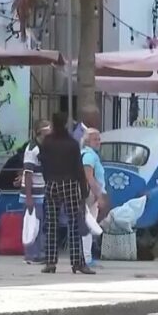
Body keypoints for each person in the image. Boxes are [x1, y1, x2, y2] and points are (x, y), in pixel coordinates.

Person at [38, 112, 94, 275]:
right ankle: (78, 263)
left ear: (54, 124)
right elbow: (78, 167)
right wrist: (83, 191)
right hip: (69, 183)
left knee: (52, 224)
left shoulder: (48, 142)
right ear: (66, 124)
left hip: (52, 183)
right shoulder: (71, 143)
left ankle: (50, 262)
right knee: (74, 223)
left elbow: (43, 162)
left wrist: (48, 179)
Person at [22, 120, 50, 264]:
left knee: (40, 224)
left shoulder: (44, 147)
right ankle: (31, 254)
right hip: (33, 193)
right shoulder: (32, 149)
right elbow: (28, 173)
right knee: (32, 224)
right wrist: (28, 196)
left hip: (41, 191)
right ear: (40, 131)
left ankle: (38, 252)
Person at [80, 128, 107, 268]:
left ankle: (86, 256)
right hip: (90, 194)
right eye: (95, 139)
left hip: (89, 193)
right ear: (87, 141)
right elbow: (89, 177)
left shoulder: (89, 154)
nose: (98, 142)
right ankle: (86, 257)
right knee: (89, 225)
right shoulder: (89, 156)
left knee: (88, 226)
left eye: (99, 139)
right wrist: (99, 195)